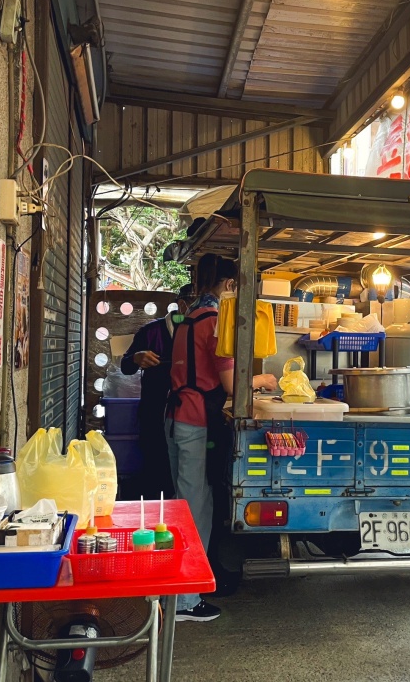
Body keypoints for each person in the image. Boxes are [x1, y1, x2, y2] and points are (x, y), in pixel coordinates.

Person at [165, 254, 277, 622]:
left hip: (180, 416)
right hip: (193, 421)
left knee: (194, 504)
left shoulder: (189, 317)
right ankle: (184, 601)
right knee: (193, 509)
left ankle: (193, 586)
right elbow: (231, 383)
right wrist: (264, 381)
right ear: (230, 286)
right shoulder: (214, 322)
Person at [120, 285, 194, 500]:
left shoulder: (200, 331)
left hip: (190, 414)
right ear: (182, 305)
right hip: (154, 412)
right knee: (155, 468)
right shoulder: (151, 332)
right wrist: (136, 358)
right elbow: (126, 366)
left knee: (186, 472)